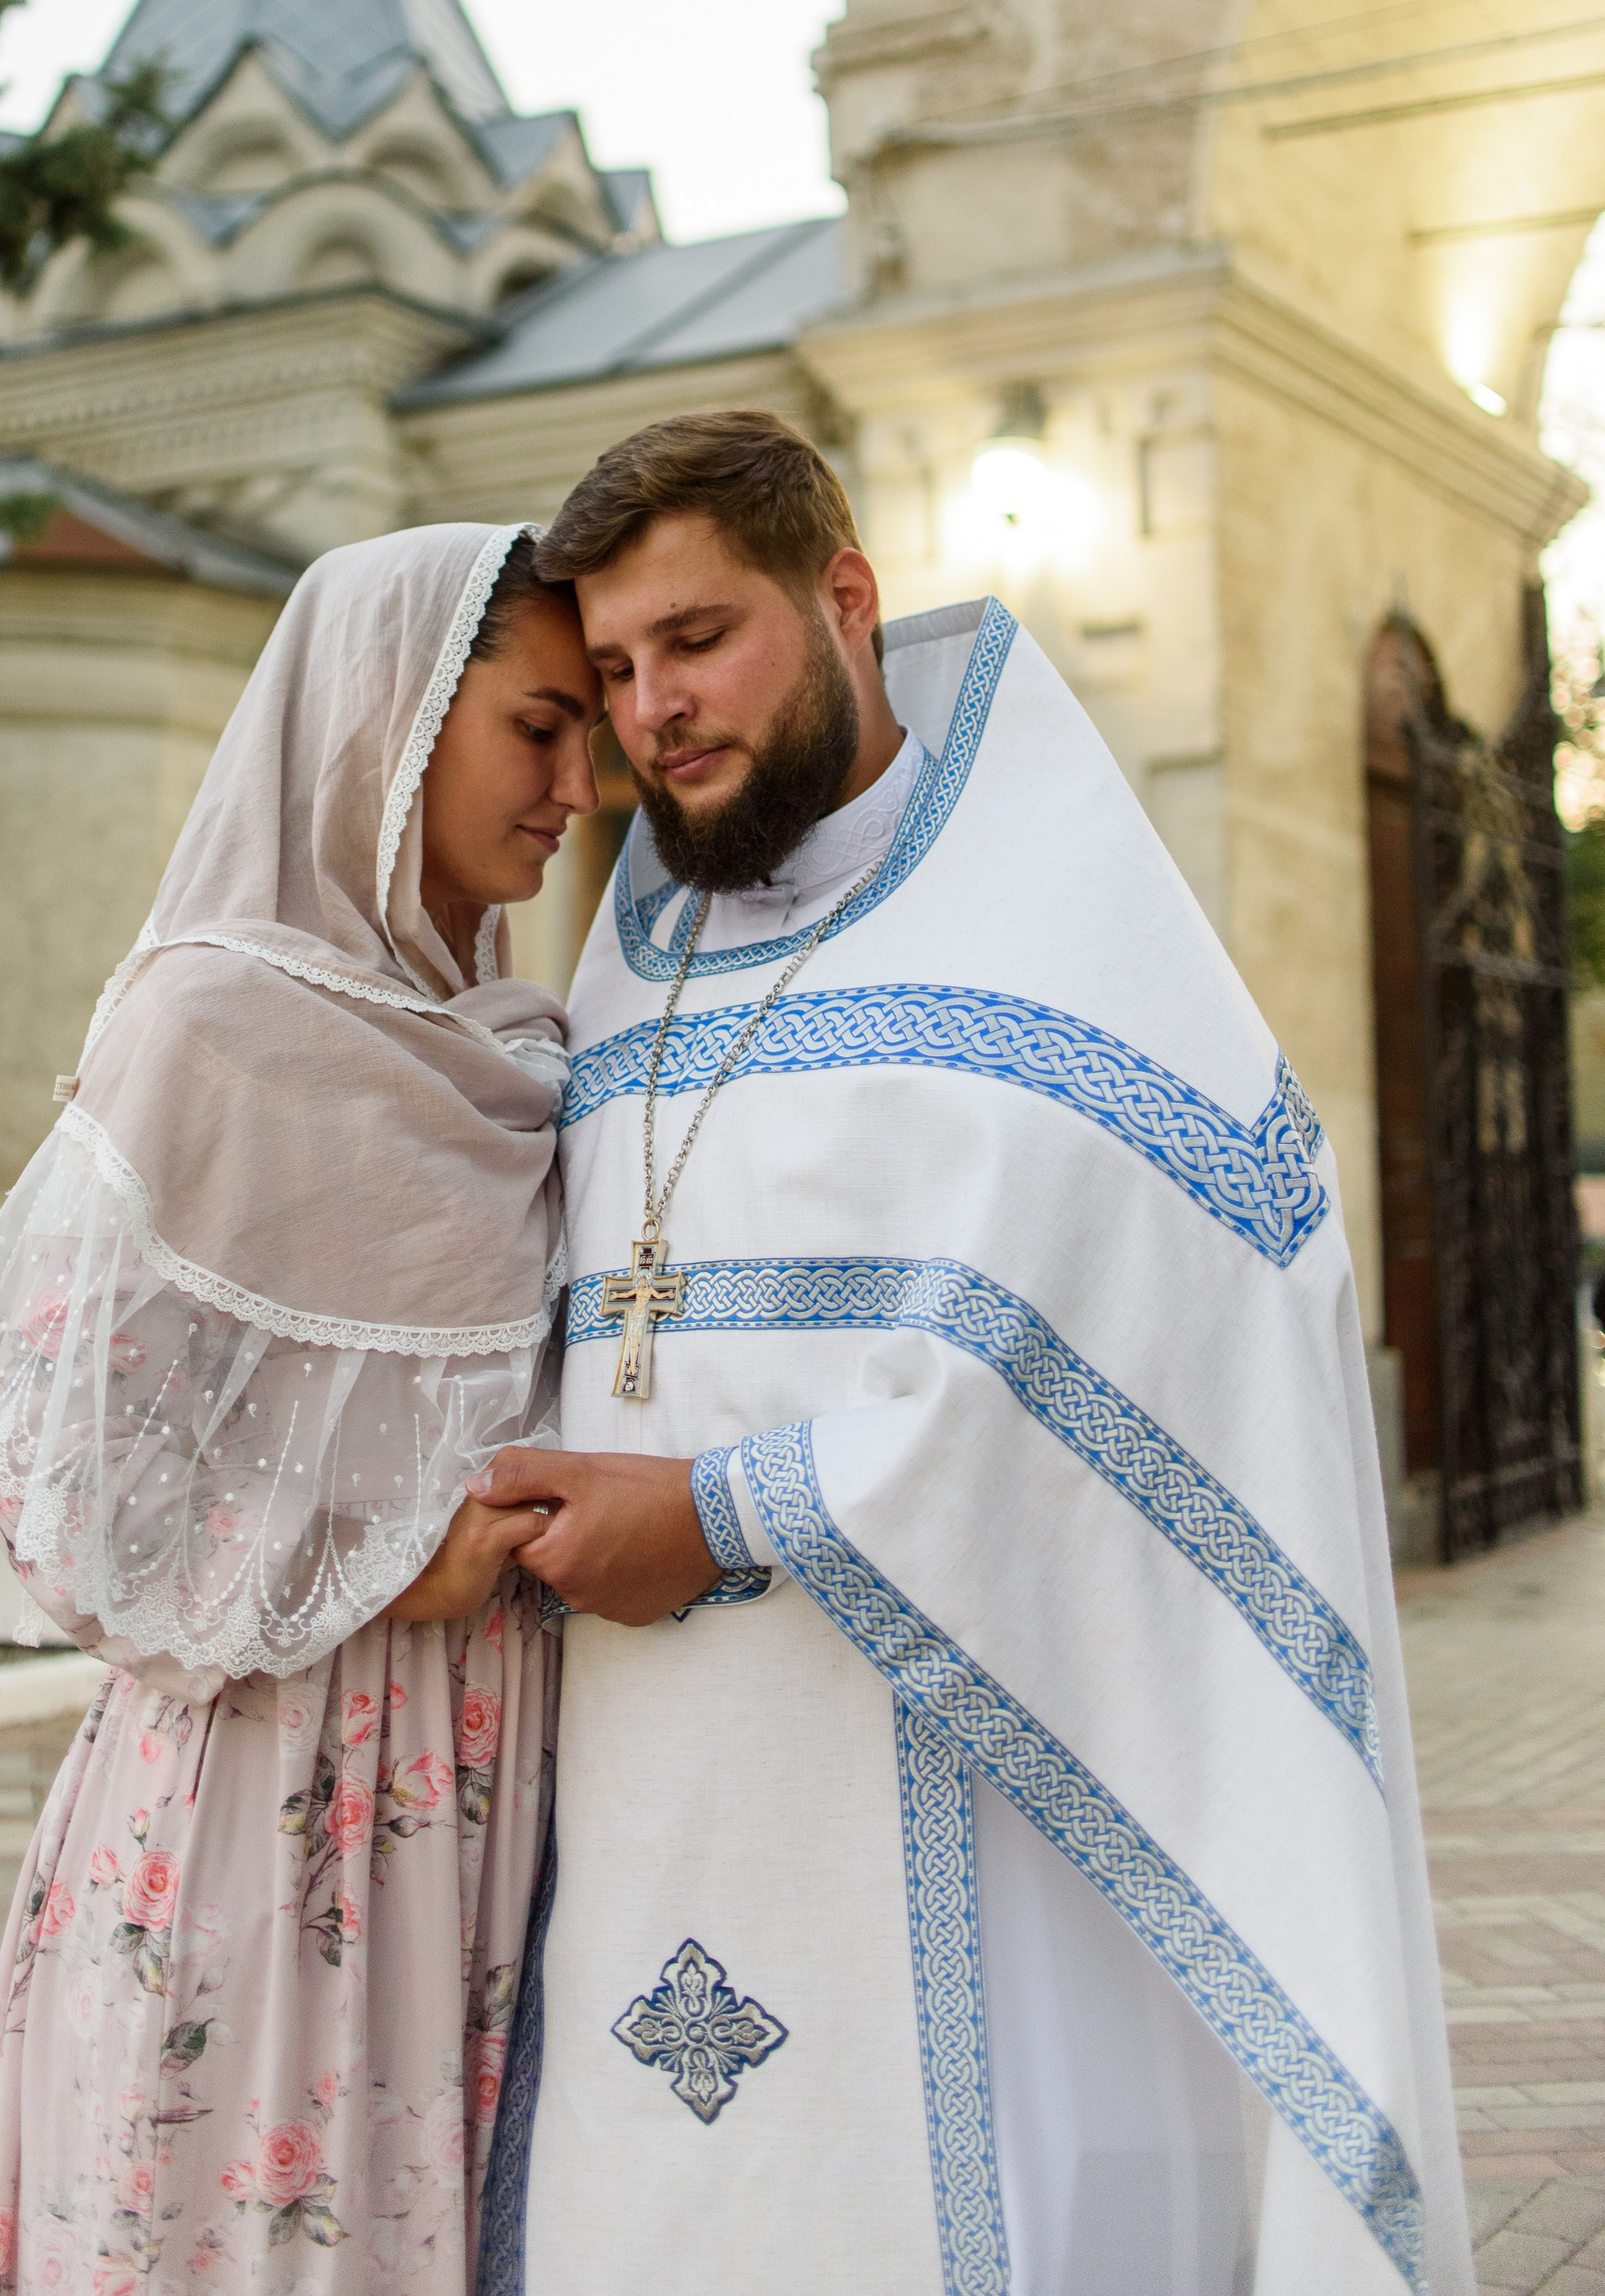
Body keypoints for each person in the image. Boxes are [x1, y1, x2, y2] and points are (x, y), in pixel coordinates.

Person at [470, 410, 1469, 2296]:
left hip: (985, 1778)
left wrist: (724, 1507)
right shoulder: (626, 958)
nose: (649, 710)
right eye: (610, 670)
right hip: (645, 1773)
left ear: (842, 598)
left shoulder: (1057, 936)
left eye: (696, 641)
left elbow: (1173, 1332)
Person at [0, 522, 601, 2296]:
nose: (578, 784)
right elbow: (60, 1490)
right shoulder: (209, 1031)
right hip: (265, 1799)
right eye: (539, 726)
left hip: (487, 1811)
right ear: (388, 720)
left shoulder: (517, 1047)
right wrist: (383, 1568)